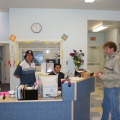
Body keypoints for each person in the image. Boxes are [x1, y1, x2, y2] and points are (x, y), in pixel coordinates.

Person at [96, 41, 120, 120]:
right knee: (105, 106)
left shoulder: (116, 58)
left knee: (114, 110)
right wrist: (102, 72)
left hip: (113, 88)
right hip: (107, 86)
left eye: (106, 49)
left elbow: (117, 75)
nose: (105, 51)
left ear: (112, 49)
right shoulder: (109, 57)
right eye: (105, 49)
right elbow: (110, 70)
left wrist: (102, 76)